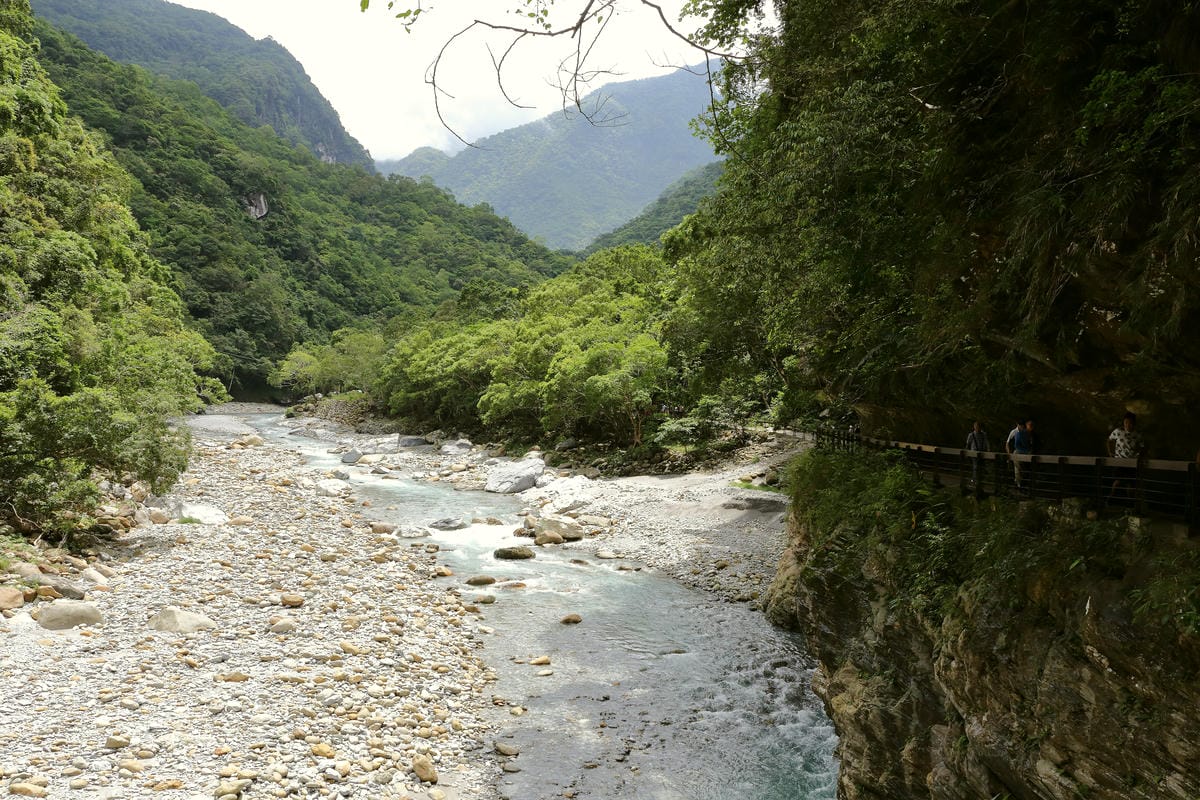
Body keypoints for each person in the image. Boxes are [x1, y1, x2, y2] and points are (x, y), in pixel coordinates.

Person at [1106, 411, 1146, 503]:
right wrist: (1110, 452)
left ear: (1134, 424)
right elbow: (1109, 440)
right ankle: (1110, 499)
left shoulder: (1137, 434)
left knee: (1130, 484)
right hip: (1120, 461)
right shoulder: (1118, 431)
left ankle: (1130, 503)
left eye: (1130, 423)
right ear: (1123, 422)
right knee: (1117, 481)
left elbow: (1143, 446)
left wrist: (1140, 455)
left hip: (1132, 462)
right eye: (1126, 422)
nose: (1128, 425)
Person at [1006, 419, 1034, 490]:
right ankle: (1018, 485)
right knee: (1017, 469)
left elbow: (1029, 443)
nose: (1021, 427)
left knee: (1022, 469)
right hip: (1016, 451)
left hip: (1024, 452)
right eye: (1020, 425)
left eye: (1022, 425)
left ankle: (1020, 484)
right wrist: (1009, 454)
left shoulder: (1025, 432)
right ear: (1017, 425)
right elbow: (1007, 443)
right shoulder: (1014, 432)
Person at [965, 421, 989, 491]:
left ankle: (979, 480)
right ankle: (975, 481)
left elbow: (986, 443)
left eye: (978, 427)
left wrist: (987, 450)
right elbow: (968, 444)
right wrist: (967, 453)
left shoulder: (984, 434)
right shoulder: (971, 435)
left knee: (981, 467)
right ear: (974, 427)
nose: (977, 428)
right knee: (975, 467)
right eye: (976, 427)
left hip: (982, 453)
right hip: (974, 453)